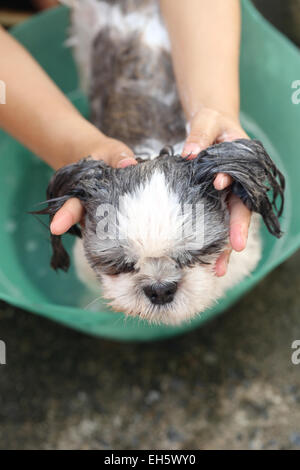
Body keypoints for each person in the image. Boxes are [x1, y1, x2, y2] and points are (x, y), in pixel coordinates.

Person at [0, 0, 250, 277]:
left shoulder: (221, 184)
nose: (159, 284)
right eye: (124, 265)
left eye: (191, 256)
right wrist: (73, 148)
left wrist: (215, 110)